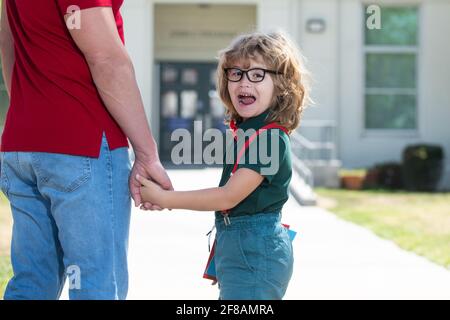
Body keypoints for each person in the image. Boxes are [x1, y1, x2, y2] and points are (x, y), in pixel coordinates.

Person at [0, 0, 172, 300]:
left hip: (23, 142)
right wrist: (147, 153)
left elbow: (7, 43)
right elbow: (106, 58)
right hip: (83, 142)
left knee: (31, 284)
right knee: (96, 286)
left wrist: (34, 114)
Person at [137, 31, 310, 300]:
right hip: (241, 245)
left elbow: (228, 196)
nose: (244, 82)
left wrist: (165, 198)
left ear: (281, 85)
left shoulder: (270, 138)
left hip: (255, 252)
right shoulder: (248, 130)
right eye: (236, 73)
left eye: (256, 74)